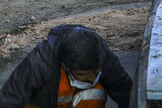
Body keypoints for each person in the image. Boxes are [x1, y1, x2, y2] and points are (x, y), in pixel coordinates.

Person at [0, 25, 132, 108]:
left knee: (94, 92)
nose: (91, 79)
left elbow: (127, 93)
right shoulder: (39, 62)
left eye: (95, 72)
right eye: (82, 75)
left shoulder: (104, 57)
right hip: (44, 103)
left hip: (79, 101)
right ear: (65, 65)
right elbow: (9, 98)